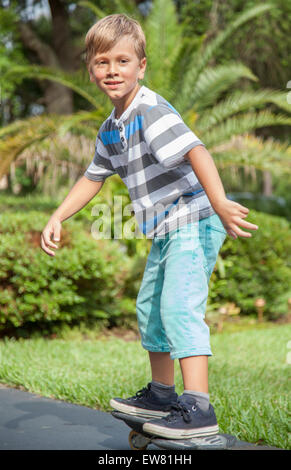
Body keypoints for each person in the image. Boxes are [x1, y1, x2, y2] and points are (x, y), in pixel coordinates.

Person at [41, 14, 259, 440]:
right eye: (102, 62)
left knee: (178, 306)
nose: (112, 71)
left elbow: (197, 150)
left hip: (194, 220)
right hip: (166, 229)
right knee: (151, 309)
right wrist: (57, 215)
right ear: (90, 68)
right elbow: (92, 177)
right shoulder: (111, 128)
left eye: (122, 61)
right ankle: (162, 395)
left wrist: (219, 203)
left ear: (141, 66)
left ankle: (198, 407)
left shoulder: (150, 110)